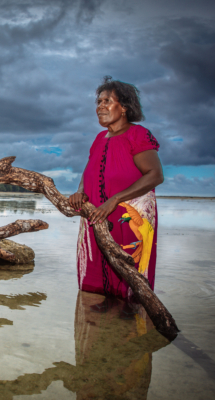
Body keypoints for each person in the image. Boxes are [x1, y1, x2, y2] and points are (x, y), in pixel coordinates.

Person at [68, 76, 164, 307]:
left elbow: (155, 175)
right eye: (98, 102)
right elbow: (89, 170)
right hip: (98, 214)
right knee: (100, 268)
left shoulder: (138, 135)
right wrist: (80, 192)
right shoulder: (100, 138)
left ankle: (132, 316)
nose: (100, 106)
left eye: (107, 101)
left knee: (129, 266)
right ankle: (106, 314)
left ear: (124, 108)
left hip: (129, 216)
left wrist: (115, 200)